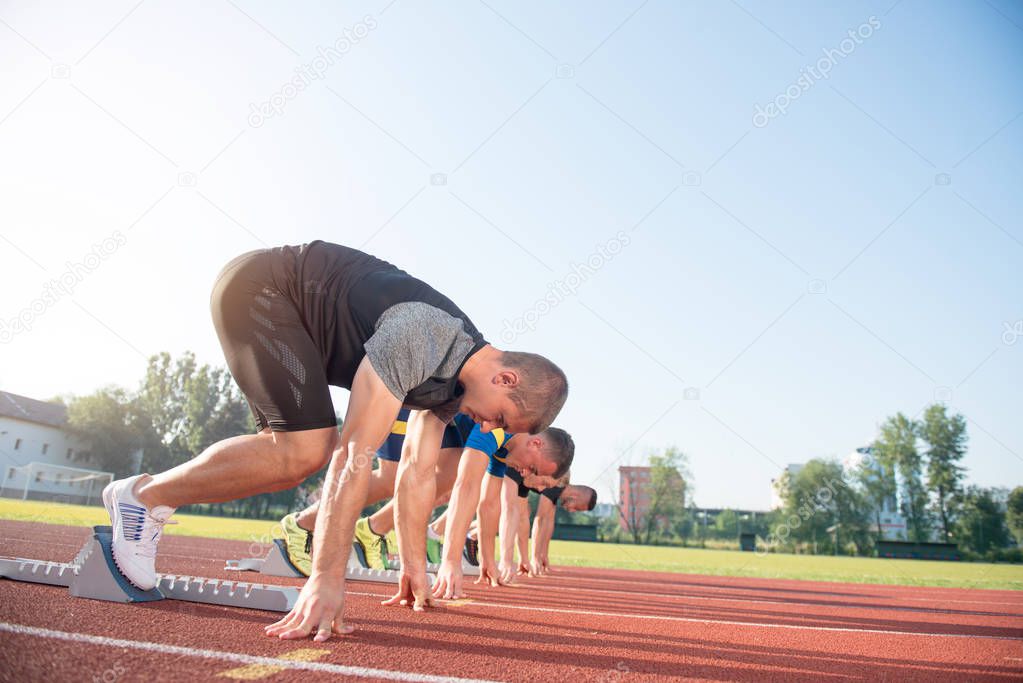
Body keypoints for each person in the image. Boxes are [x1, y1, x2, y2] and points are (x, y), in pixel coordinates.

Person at [100, 241, 568, 642]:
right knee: (307, 450)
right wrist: (326, 576)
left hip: (300, 330)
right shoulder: (425, 336)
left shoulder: (451, 386)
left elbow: (417, 471)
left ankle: (144, 495)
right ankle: (143, 498)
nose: (488, 430)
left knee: (290, 454)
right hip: (263, 290)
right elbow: (353, 455)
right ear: (505, 379)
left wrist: (412, 566)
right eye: (502, 418)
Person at [497, 468, 596, 580]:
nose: (572, 511)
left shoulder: (559, 485)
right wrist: (534, 557)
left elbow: (548, 521)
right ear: (575, 496)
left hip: (520, 480)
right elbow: (540, 520)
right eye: (577, 508)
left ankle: (475, 535)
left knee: (519, 514)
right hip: (504, 470)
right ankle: (476, 536)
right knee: (506, 513)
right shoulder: (557, 483)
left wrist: (542, 555)